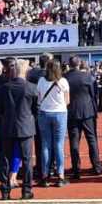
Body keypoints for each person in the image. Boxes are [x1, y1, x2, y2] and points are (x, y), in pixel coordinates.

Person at [0, 59, 38, 200]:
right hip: (25, 127)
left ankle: (5, 191)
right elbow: (36, 110)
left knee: (5, 159)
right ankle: (26, 190)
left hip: (8, 127)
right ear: (24, 71)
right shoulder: (31, 88)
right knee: (26, 160)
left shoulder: (3, 88)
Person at [65, 56, 102, 178]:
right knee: (92, 140)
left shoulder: (65, 77)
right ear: (79, 64)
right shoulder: (87, 76)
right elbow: (93, 95)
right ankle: (97, 167)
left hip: (72, 112)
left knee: (74, 141)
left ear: (69, 64)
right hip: (87, 111)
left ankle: (76, 169)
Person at [37, 58, 70, 187]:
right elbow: (67, 101)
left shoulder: (41, 81)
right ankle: (60, 176)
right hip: (60, 113)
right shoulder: (63, 82)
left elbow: (39, 98)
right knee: (59, 145)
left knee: (45, 145)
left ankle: (45, 176)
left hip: (44, 113)